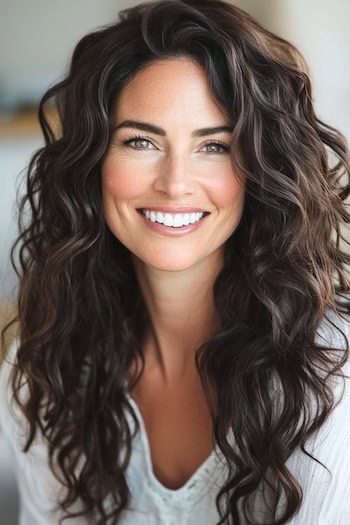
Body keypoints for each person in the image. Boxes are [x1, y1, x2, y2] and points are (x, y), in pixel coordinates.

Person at [1, 0, 350, 523]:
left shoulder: (331, 373)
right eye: (140, 141)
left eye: (214, 147)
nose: (175, 184)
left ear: (260, 167)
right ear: (91, 163)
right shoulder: (42, 366)